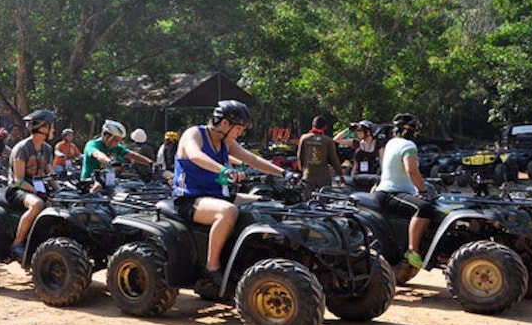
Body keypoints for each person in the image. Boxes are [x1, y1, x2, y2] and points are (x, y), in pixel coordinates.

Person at [172, 100, 287, 286]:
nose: (240, 133)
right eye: (239, 129)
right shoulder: (194, 134)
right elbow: (195, 155)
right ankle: (211, 267)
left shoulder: (226, 142)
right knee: (228, 211)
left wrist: (284, 173)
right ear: (225, 123)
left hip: (219, 196)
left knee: (267, 205)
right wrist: (224, 170)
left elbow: (252, 159)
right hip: (190, 199)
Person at [373, 113, 435, 269]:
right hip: (391, 193)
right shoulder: (408, 146)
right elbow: (411, 171)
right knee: (424, 207)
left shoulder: (391, 143)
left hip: (389, 192)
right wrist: (423, 190)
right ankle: (412, 250)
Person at [6, 110, 58, 260]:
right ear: (42, 128)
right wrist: (37, 192)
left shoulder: (47, 149)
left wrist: (63, 190)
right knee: (37, 205)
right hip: (18, 189)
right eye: (51, 126)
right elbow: (18, 180)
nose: (54, 130)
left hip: (38, 188)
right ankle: (17, 243)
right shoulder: (22, 148)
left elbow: (50, 175)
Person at [81, 120, 153, 193]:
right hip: (89, 181)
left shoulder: (115, 147)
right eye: (116, 140)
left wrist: (149, 162)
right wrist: (110, 162)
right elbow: (97, 154)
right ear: (106, 136)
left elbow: (132, 155)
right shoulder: (92, 144)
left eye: (119, 141)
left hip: (107, 180)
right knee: (97, 187)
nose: (117, 143)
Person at [296, 114, 345, 189]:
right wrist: (340, 174)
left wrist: (301, 171)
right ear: (325, 127)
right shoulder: (328, 140)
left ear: (313, 124)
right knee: (323, 198)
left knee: (308, 199)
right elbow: (333, 159)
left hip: (308, 176)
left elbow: (300, 156)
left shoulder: (304, 138)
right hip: (323, 177)